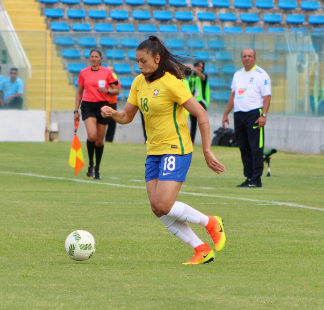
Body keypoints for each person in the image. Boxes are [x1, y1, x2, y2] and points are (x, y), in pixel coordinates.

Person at [100, 36, 227, 265]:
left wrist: (207, 150)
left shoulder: (171, 82)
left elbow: (201, 114)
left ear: (157, 59)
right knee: (157, 209)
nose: (140, 66)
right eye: (137, 62)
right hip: (154, 152)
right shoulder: (139, 82)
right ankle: (201, 249)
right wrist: (113, 114)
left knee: (165, 205)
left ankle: (210, 222)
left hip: (175, 149)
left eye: (144, 61)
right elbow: (127, 116)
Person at [222, 48, 271, 188]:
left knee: (256, 147)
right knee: (243, 147)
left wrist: (264, 115)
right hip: (239, 114)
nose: (247, 58)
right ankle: (249, 177)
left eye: (250, 56)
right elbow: (233, 96)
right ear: (241, 58)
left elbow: (267, 96)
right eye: (244, 56)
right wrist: (226, 113)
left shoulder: (261, 74)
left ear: (254, 58)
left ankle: (257, 178)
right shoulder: (237, 74)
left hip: (254, 114)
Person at [74, 50, 119, 180]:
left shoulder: (107, 72)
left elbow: (116, 90)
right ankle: (90, 163)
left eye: (96, 57)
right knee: (92, 135)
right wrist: (76, 110)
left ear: (101, 59)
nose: (94, 59)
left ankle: (97, 168)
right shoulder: (84, 72)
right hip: (88, 105)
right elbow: (79, 93)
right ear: (89, 59)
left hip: (103, 106)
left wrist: (108, 91)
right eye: (92, 57)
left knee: (99, 141)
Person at [186, 61, 210, 143]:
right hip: (192, 101)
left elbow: (202, 76)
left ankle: (206, 141)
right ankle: (191, 141)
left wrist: (193, 68)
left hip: (201, 102)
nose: (200, 69)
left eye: (201, 68)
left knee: (203, 123)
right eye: (198, 67)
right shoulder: (190, 77)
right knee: (193, 123)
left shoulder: (203, 76)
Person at [105, 65, 121, 143]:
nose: (110, 72)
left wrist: (108, 91)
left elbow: (116, 89)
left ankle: (109, 139)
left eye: (111, 70)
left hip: (112, 103)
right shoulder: (103, 79)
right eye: (108, 70)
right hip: (103, 102)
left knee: (112, 123)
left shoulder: (115, 80)